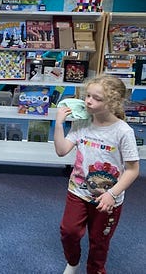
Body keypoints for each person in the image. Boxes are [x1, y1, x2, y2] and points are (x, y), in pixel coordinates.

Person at [54, 74, 140, 274]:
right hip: (78, 191)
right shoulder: (82, 123)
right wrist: (59, 124)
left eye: (96, 98)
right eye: (88, 96)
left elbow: (133, 169)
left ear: (112, 102)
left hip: (108, 198)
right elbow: (61, 151)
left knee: (99, 241)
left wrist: (112, 193)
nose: (88, 101)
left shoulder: (122, 131)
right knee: (69, 231)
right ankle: (73, 262)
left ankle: (96, 269)